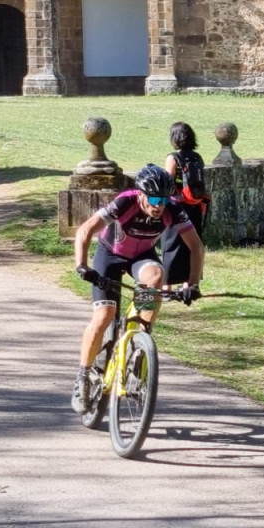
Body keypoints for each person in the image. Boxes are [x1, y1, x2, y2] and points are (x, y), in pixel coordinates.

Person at [71, 164, 204, 414]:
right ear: (141, 194)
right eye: (154, 199)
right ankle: (82, 376)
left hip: (141, 257)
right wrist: (82, 266)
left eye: (164, 200)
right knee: (104, 316)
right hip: (109, 256)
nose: (159, 205)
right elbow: (85, 230)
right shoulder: (125, 203)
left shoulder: (173, 209)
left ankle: (142, 341)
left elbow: (196, 246)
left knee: (156, 275)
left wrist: (193, 284)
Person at [161, 122, 209, 286]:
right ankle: (190, 283)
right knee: (193, 245)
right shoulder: (198, 157)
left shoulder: (173, 157)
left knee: (171, 244)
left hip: (177, 207)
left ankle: (167, 285)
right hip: (195, 206)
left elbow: (168, 182)